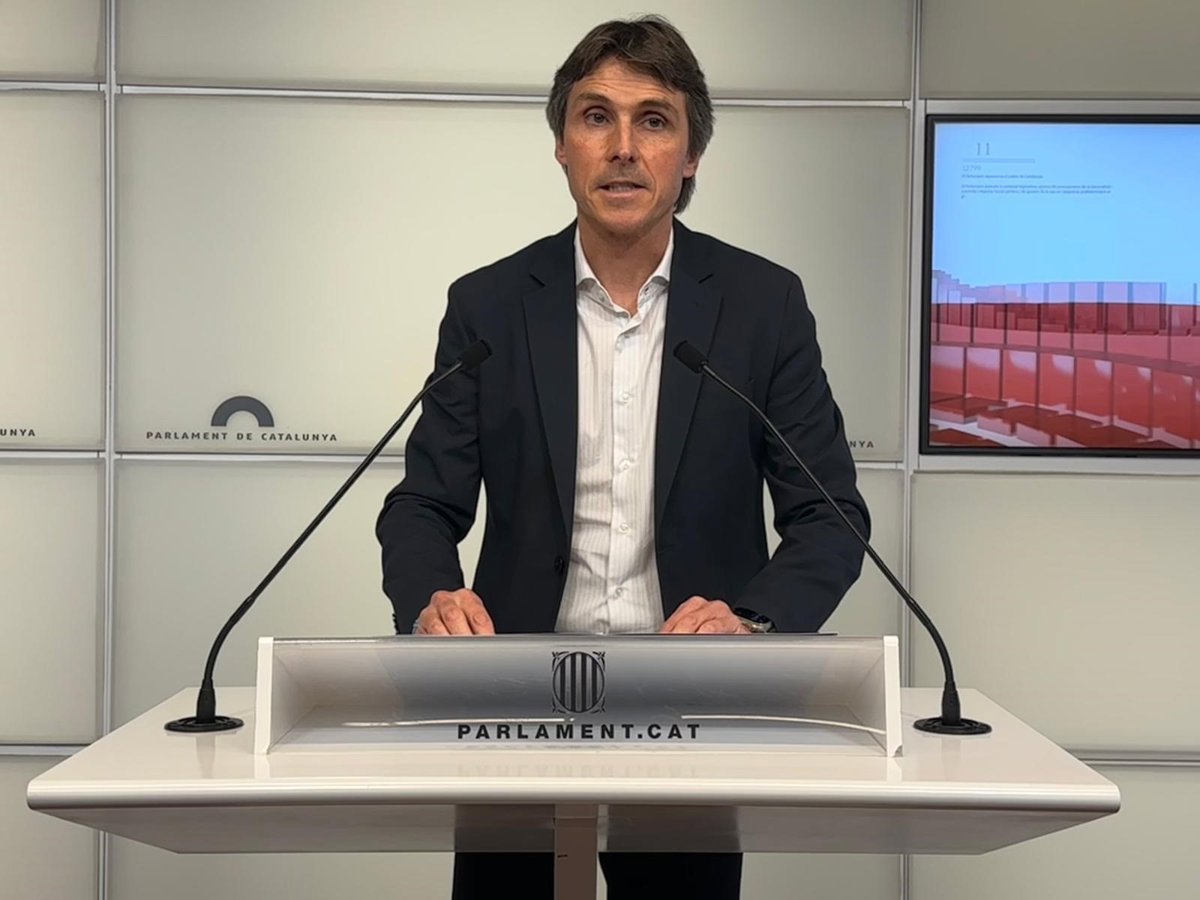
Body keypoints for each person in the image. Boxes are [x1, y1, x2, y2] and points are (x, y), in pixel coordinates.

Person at [376, 15, 870, 900]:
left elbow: (830, 519)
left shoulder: (762, 305)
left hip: (693, 706)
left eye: (654, 120)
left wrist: (752, 623)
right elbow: (422, 505)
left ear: (691, 156)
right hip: (515, 706)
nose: (623, 149)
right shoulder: (488, 305)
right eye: (596, 116)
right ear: (561, 146)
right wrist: (431, 600)